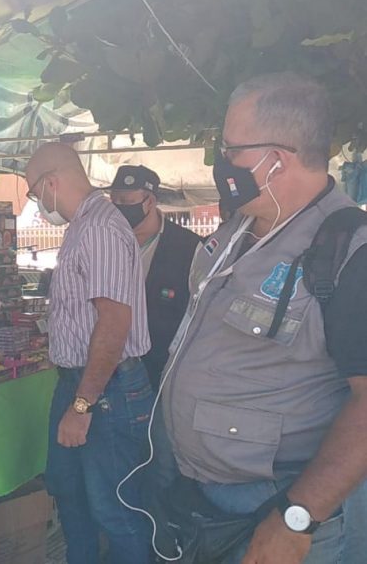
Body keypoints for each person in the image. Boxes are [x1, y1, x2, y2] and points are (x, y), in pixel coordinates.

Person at [151, 72, 367, 564]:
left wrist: (297, 516)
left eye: (231, 150)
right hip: (202, 496)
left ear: (277, 160)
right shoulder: (239, 228)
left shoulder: (349, 251)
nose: (221, 163)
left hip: (278, 507)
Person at [25, 143, 154, 564]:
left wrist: (82, 405)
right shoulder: (82, 226)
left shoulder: (99, 228)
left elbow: (114, 323)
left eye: (33, 192)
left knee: (115, 512)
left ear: (51, 183)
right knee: (71, 496)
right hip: (80, 384)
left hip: (105, 390)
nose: (35, 203)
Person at [107, 165, 200, 390]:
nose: (119, 208)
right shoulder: (105, 242)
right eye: (115, 201)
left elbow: (199, 312)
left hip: (162, 373)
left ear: (149, 201)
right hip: (110, 370)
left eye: (127, 202)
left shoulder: (188, 247)